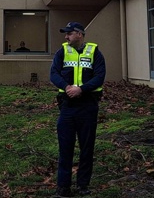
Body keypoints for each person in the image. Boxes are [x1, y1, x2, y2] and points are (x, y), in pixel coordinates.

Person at [50, 22, 106, 197]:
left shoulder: (95, 52)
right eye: (65, 34)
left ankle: (83, 186)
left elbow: (99, 76)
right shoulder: (62, 52)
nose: (66, 37)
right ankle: (63, 188)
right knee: (65, 148)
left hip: (88, 106)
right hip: (67, 107)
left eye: (69, 34)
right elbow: (53, 74)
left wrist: (81, 89)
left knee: (86, 147)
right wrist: (67, 87)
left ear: (79, 34)